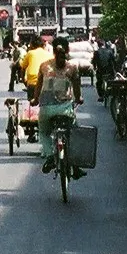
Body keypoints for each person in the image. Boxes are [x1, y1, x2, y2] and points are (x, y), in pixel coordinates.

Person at [34, 36, 83, 174]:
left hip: (46, 109)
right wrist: (79, 98)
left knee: (43, 132)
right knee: (74, 132)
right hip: (65, 109)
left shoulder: (44, 66)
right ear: (67, 50)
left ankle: (49, 156)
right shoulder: (72, 67)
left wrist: (35, 99)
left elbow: (38, 87)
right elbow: (77, 89)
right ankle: (76, 166)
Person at [20, 35, 53, 100]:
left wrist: (24, 82)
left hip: (32, 83)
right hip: (47, 84)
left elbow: (23, 68)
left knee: (33, 106)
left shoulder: (30, 53)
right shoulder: (50, 55)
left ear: (32, 45)